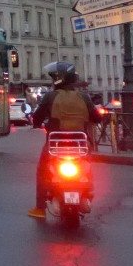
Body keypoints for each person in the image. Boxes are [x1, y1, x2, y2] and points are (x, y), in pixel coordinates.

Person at [28, 61, 99, 219]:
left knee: (42, 171)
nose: (53, 79)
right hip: (80, 146)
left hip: (56, 146)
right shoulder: (84, 97)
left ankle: (40, 208)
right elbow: (97, 118)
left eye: (55, 76)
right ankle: (88, 193)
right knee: (87, 168)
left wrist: (38, 123)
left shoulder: (51, 96)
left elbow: (37, 118)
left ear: (60, 78)